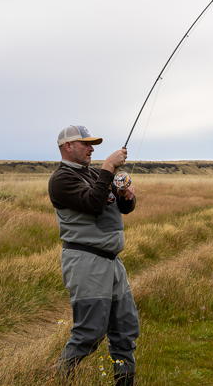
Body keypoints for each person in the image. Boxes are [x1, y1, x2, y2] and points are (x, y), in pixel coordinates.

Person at [48, 125, 139, 385]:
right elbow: (94, 204)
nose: (92, 148)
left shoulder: (94, 174)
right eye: (86, 144)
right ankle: (59, 378)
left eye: (93, 144)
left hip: (112, 263)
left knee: (126, 328)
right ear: (68, 147)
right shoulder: (61, 180)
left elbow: (124, 207)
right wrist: (109, 167)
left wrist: (125, 195)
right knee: (90, 332)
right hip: (86, 262)